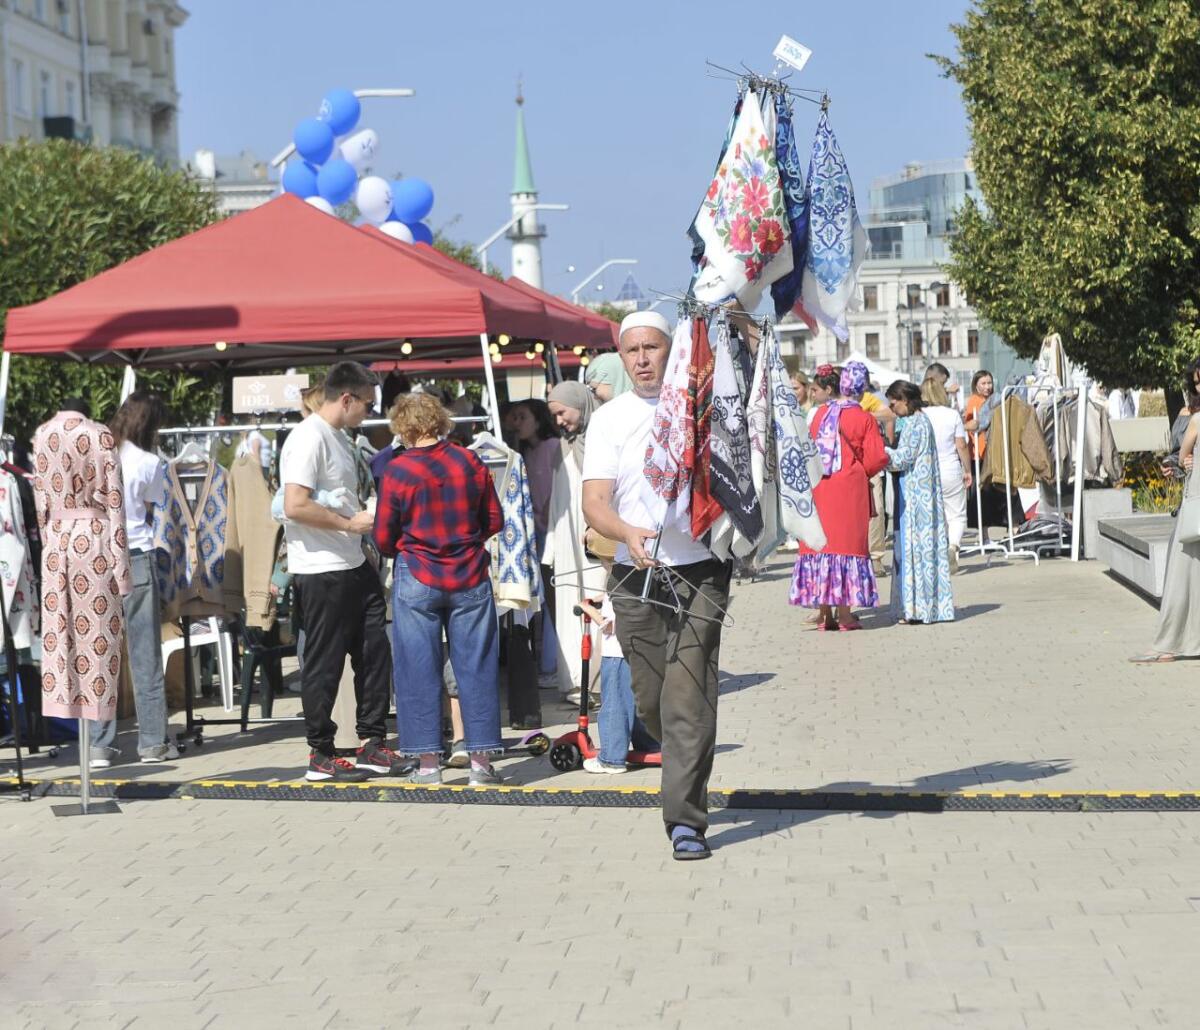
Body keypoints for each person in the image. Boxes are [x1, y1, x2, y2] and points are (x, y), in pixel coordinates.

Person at [582, 309, 730, 861]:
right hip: (633, 571)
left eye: (653, 348)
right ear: (621, 358)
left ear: (672, 349)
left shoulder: (704, 406)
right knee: (652, 701)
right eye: (632, 350)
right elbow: (593, 502)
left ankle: (685, 821)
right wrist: (626, 531)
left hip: (702, 570)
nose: (643, 359)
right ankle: (682, 761)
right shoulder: (610, 418)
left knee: (689, 695)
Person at [373, 392, 507, 784]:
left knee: (417, 670)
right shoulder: (469, 460)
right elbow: (494, 519)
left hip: (417, 572)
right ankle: (481, 764)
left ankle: (428, 765)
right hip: (469, 572)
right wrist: (467, 539)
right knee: (477, 667)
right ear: (441, 421)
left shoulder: (397, 471)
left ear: (403, 426)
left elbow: (383, 537)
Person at [281, 362, 404, 782]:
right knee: (325, 662)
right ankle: (320, 752)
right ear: (346, 398)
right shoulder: (307, 438)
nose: (369, 413)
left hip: (352, 562)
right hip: (320, 569)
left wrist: (357, 530)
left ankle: (373, 742)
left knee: (375, 652)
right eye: (367, 404)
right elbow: (294, 504)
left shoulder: (338, 437)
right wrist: (350, 524)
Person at [89, 392, 176, 768]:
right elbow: (153, 510)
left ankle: (100, 747)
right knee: (144, 655)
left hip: (96, 558)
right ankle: (153, 742)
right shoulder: (150, 462)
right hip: (136, 555)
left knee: (100, 656)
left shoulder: (95, 454)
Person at [791, 363, 887, 631]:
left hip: (820, 488)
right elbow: (877, 457)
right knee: (848, 547)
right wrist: (859, 471)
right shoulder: (864, 418)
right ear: (863, 387)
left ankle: (824, 614)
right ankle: (845, 614)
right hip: (850, 490)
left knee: (821, 546)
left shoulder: (820, 413)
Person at [1132, 370, 1200, 663]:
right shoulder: (1195, 418)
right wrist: (1183, 462)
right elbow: (1180, 457)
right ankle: (1171, 642)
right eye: (1197, 381)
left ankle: (1170, 644)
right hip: (1196, 507)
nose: (1199, 386)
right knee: (1184, 572)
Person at [545, 380, 605, 705]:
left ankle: (598, 678)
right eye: (553, 415)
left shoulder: (602, 438)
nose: (559, 421)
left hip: (597, 536)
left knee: (598, 603)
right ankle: (573, 679)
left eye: (562, 413)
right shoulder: (563, 446)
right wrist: (552, 546)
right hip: (569, 542)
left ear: (579, 405)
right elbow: (557, 497)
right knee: (570, 607)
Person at [884, 381, 955, 624]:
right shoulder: (921, 421)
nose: (891, 407)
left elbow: (902, 459)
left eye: (893, 402)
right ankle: (926, 606)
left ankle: (916, 609)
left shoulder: (915, 423)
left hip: (916, 498)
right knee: (925, 552)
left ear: (905, 399)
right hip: (923, 494)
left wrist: (879, 451)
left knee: (915, 551)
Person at [509, 399, 563, 693]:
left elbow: (558, 485)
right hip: (536, 529)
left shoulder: (553, 447)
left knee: (551, 596)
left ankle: (553, 664)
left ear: (538, 420)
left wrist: (545, 508)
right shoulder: (525, 453)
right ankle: (550, 663)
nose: (517, 423)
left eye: (522, 416)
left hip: (551, 528)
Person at [920, 378, 972, 569]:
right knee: (956, 515)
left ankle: (936, 554)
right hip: (950, 468)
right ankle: (953, 545)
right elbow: (961, 445)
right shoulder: (952, 415)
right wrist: (968, 469)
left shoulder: (920, 415)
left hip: (926, 471)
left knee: (934, 515)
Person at [963, 369, 995, 458]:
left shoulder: (993, 399)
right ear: (976, 386)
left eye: (989, 383)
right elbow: (971, 424)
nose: (987, 387)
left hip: (991, 449)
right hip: (979, 451)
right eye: (983, 383)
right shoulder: (974, 400)